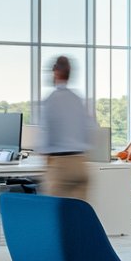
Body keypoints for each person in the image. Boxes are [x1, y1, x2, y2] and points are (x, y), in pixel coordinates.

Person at [39, 56, 95, 200]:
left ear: (56, 72)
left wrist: (45, 162)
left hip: (60, 166)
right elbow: (88, 131)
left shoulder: (51, 100)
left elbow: (46, 137)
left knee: (53, 210)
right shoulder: (78, 100)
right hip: (80, 164)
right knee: (78, 211)